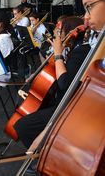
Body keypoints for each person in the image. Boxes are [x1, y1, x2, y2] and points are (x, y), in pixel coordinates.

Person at [13, 16, 90, 150]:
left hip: (68, 106)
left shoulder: (81, 51)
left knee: (22, 126)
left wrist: (58, 54)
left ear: (69, 32)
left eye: (60, 32)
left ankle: (45, 154)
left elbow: (65, 84)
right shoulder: (74, 49)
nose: (58, 36)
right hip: (60, 100)